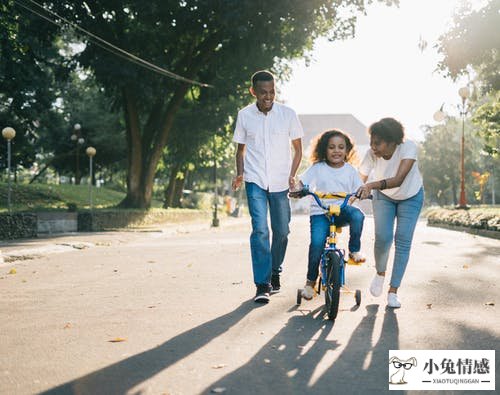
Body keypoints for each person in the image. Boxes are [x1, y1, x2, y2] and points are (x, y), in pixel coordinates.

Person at [232, 70, 303, 304]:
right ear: (253, 92)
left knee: (282, 231)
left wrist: (292, 175)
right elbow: (240, 150)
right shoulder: (244, 115)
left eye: (272, 92)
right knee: (260, 230)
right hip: (255, 180)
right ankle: (262, 284)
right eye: (263, 92)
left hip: (281, 181)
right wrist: (240, 173)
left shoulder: (288, 114)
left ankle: (275, 271)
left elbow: (298, 149)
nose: (268, 96)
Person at [357, 117, 424, 308]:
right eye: (371, 142)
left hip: (411, 195)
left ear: (393, 141)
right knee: (383, 238)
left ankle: (393, 291)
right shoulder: (371, 154)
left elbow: (398, 179)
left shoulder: (408, 148)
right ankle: (380, 273)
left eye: (377, 143)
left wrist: (370, 185)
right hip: (384, 197)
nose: (373, 147)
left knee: (402, 241)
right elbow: (359, 179)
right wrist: (351, 195)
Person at [295, 129, 366, 300]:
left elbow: (359, 188)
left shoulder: (350, 170)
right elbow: (301, 182)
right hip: (320, 211)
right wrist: (299, 189)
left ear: (347, 150)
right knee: (317, 244)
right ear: (324, 150)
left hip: (341, 210)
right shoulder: (317, 168)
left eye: (341, 147)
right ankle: (310, 283)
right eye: (331, 147)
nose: (336, 151)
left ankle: (354, 251)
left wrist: (362, 192)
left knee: (358, 215)